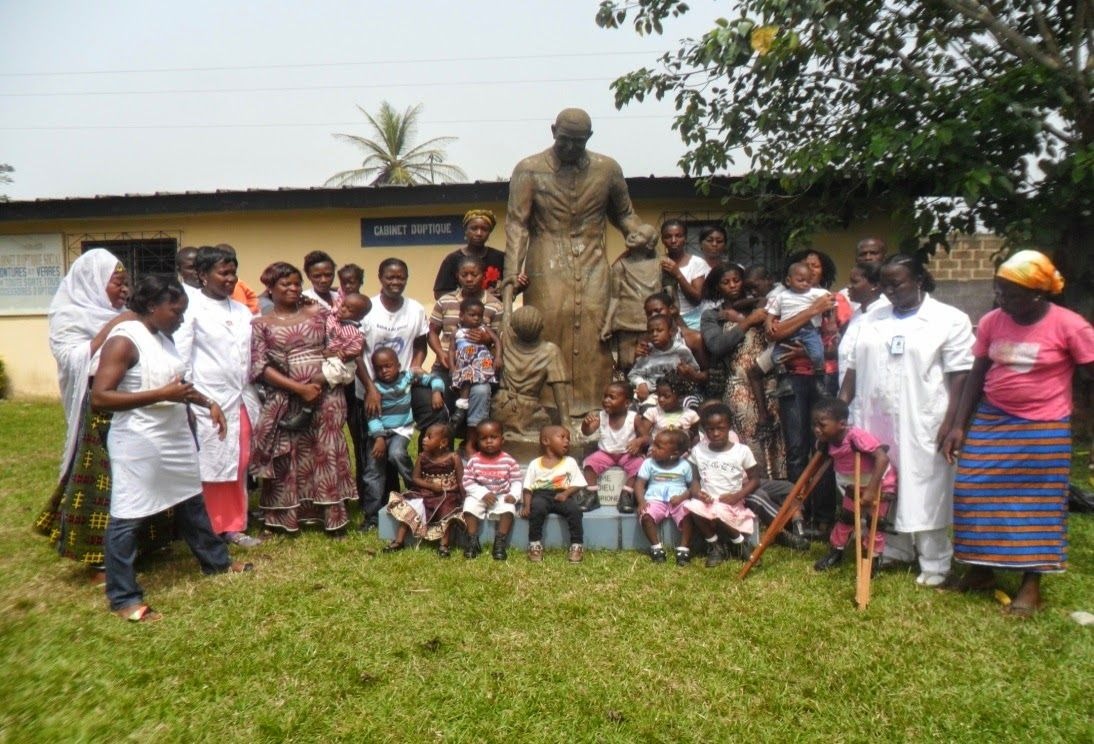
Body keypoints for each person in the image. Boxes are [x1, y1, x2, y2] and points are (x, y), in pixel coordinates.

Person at [942, 250, 1094, 615]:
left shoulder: (1071, 326)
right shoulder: (994, 321)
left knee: (1038, 504)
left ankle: (1031, 586)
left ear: (1038, 294)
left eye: (1011, 294)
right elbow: (977, 375)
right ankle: (980, 571)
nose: (1002, 300)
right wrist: (959, 424)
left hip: (1044, 428)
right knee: (971, 492)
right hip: (994, 422)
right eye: (999, 292)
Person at [91, 275, 251, 622]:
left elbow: (176, 385)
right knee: (127, 519)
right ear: (152, 306)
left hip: (174, 436)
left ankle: (216, 564)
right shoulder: (123, 342)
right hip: (139, 442)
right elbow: (100, 397)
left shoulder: (162, 338)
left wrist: (208, 402)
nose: (180, 319)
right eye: (175, 311)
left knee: (192, 504)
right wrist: (162, 396)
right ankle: (123, 597)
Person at [34, 249, 174, 578]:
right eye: (117, 282)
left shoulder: (126, 314)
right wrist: (113, 325)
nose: (124, 290)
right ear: (93, 282)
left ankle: (146, 545)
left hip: (134, 403)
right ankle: (99, 557)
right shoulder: (69, 315)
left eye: (126, 283)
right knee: (106, 482)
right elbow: (72, 360)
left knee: (142, 474)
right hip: (100, 410)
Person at [840, 253, 974, 587]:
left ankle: (935, 561)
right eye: (884, 284)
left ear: (918, 280)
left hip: (924, 418)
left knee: (926, 487)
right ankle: (896, 548)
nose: (889, 291)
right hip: (874, 419)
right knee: (884, 485)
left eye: (896, 284)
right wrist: (841, 409)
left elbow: (961, 375)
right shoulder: (870, 319)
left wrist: (953, 420)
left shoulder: (948, 319)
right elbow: (853, 367)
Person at [504, 107, 643, 416]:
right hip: (546, 262)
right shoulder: (528, 169)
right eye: (564, 139)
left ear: (589, 138)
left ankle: (594, 409)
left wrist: (640, 233)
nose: (569, 147)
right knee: (548, 325)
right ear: (553, 131)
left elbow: (624, 215)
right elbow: (517, 224)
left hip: (594, 263)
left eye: (577, 142)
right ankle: (546, 410)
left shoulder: (607, 169)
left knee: (596, 330)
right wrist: (512, 273)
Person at [249, 261, 356, 536]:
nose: (293, 288)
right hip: (286, 397)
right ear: (270, 288)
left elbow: (338, 346)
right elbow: (260, 366)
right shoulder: (261, 324)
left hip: (326, 393)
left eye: (297, 283)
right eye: (286, 284)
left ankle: (330, 515)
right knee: (288, 456)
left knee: (325, 451)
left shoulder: (318, 313)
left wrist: (318, 380)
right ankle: (286, 517)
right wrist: (299, 389)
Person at [172, 245, 262, 549]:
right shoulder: (191, 308)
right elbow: (181, 358)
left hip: (240, 399)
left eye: (233, 272)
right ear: (202, 275)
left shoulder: (240, 310)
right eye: (223, 273)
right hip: (207, 400)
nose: (230, 278)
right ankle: (208, 527)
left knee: (239, 461)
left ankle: (235, 525)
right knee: (210, 464)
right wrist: (191, 399)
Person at [357, 258, 432, 523]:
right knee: (372, 459)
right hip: (369, 392)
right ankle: (372, 513)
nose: (395, 282)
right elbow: (356, 352)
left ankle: (418, 497)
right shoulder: (367, 308)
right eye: (390, 277)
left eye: (401, 277)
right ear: (380, 277)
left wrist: (415, 367)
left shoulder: (415, 309)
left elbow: (421, 343)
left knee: (396, 453)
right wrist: (370, 389)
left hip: (401, 394)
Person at [700, 264, 787, 479]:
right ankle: (753, 492)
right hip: (738, 388)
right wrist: (748, 322)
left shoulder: (763, 306)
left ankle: (780, 492)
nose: (732, 285)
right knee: (750, 439)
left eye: (736, 280)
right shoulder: (713, 316)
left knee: (778, 438)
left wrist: (749, 316)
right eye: (726, 282)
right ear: (717, 287)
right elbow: (717, 346)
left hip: (770, 381)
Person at [361, 347, 445, 530]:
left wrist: (437, 392)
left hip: (401, 430)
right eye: (379, 368)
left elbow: (434, 378)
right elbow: (372, 416)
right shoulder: (374, 389)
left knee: (397, 454)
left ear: (398, 365)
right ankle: (371, 516)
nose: (385, 371)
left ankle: (416, 487)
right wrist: (379, 438)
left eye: (389, 366)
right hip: (379, 434)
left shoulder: (407, 377)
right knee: (373, 473)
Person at [810, 398, 896, 573]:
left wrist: (872, 490)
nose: (817, 430)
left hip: (879, 483)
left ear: (841, 424)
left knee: (874, 523)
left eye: (822, 425)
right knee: (847, 518)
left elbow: (882, 458)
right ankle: (836, 551)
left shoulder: (856, 437)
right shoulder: (827, 440)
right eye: (814, 425)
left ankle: (873, 558)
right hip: (854, 486)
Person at [428, 255, 503, 448]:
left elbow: (500, 339)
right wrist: (441, 354)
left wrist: (488, 341)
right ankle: (441, 448)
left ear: (483, 276)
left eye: (474, 274)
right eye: (464, 275)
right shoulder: (445, 301)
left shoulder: (494, 304)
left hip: (479, 369)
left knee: (481, 390)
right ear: (457, 276)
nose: (469, 279)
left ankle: (471, 441)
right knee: (437, 397)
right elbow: (432, 333)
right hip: (447, 366)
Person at [685, 404, 762, 567]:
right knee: (692, 506)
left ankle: (740, 544)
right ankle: (715, 546)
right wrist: (699, 493)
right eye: (710, 429)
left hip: (731, 503)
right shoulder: (698, 451)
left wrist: (737, 496)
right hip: (708, 502)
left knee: (719, 510)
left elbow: (755, 480)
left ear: (729, 427)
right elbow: (694, 480)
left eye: (720, 428)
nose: (715, 433)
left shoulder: (742, 451)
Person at [383, 423, 464, 556]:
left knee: (447, 511)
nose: (424, 439)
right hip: (425, 493)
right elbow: (415, 478)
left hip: (447, 494)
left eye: (429, 437)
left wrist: (459, 495)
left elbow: (461, 481)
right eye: (424, 436)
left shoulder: (453, 458)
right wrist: (431, 486)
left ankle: (444, 545)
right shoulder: (423, 457)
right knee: (411, 507)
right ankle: (398, 541)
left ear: (443, 442)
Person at [601, 223, 670, 370]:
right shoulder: (620, 266)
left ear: (650, 244)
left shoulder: (660, 265)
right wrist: (608, 324)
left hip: (652, 326)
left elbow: (670, 297)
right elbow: (614, 297)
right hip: (626, 325)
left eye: (640, 235)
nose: (632, 235)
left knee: (652, 364)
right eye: (634, 232)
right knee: (626, 364)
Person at [520, 425, 588, 563]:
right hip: (541, 494)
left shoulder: (570, 462)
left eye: (568, 438)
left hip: (563, 494)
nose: (567, 441)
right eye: (562, 437)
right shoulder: (535, 463)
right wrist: (527, 506)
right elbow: (528, 488)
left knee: (574, 510)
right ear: (546, 441)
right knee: (537, 508)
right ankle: (534, 545)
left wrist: (566, 493)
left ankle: (577, 545)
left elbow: (578, 483)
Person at [580, 381, 651, 508]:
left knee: (639, 464)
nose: (606, 400)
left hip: (627, 454)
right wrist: (585, 424)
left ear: (627, 403)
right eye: (605, 396)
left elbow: (647, 437)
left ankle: (626, 495)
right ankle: (592, 494)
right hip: (605, 454)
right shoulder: (602, 416)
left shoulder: (633, 418)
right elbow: (587, 432)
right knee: (589, 464)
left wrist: (638, 441)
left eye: (612, 397)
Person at [634, 429, 699, 564]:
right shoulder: (648, 463)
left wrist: (682, 498)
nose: (653, 449)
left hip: (678, 500)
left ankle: (684, 547)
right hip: (655, 499)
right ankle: (656, 547)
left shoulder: (684, 465)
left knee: (689, 514)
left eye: (658, 447)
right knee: (646, 516)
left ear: (674, 453)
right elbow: (639, 484)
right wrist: (641, 502)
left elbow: (692, 487)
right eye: (653, 444)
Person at [461, 420, 522, 560]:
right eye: (484, 438)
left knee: (509, 510)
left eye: (493, 437)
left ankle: (500, 542)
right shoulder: (474, 461)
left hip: (502, 494)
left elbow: (516, 481)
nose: (489, 441)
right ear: (477, 441)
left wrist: (514, 495)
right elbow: (468, 481)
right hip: (480, 494)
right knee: (469, 507)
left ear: (502, 439)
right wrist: (482, 493)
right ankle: (472, 540)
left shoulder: (508, 461)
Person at [433, 208, 526, 299]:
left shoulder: (500, 258)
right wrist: (474, 296)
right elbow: (439, 294)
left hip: (494, 312)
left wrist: (521, 284)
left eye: (484, 229)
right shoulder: (452, 259)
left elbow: (510, 289)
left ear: (489, 232)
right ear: (466, 231)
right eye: (474, 228)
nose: (479, 233)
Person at [837, 261, 889, 406]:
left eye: (855, 282)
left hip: (873, 402)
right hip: (850, 400)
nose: (849, 286)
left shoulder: (884, 315)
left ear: (875, 285)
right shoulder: (857, 315)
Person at [448, 296, 502, 433]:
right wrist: (452, 367)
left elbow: (497, 341)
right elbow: (451, 350)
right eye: (472, 315)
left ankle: (462, 406)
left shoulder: (484, 329)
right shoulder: (457, 332)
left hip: (481, 363)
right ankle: (463, 404)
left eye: (479, 316)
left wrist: (498, 358)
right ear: (461, 316)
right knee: (467, 377)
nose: (476, 319)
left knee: (473, 378)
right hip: (465, 364)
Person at [768, 261, 830, 375]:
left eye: (808, 281)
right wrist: (768, 323)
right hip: (788, 332)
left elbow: (832, 301)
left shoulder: (815, 293)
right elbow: (772, 311)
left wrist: (832, 320)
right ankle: (783, 379)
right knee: (775, 356)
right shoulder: (781, 296)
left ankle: (820, 377)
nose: (805, 284)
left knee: (817, 354)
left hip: (809, 331)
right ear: (788, 281)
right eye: (801, 280)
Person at [628, 314, 700, 407]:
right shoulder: (646, 352)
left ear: (670, 332)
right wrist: (641, 383)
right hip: (652, 394)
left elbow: (695, 371)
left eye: (659, 330)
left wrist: (687, 373)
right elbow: (633, 374)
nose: (654, 334)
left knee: (688, 403)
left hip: (678, 393)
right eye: (651, 331)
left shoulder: (681, 351)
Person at [659, 219, 708, 330]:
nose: (673, 240)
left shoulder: (697, 263)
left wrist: (678, 274)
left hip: (693, 321)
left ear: (685, 238)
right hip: (665, 321)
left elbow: (697, 299)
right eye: (668, 236)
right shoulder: (658, 263)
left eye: (678, 236)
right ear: (662, 240)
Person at [642, 372, 700, 440]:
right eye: (659, 395)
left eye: (666, 396)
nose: (661, 399)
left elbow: (695, 436)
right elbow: (643, 436)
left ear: (680, 397)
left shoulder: (691, 415)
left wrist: (692, 448)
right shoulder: (652, 412)